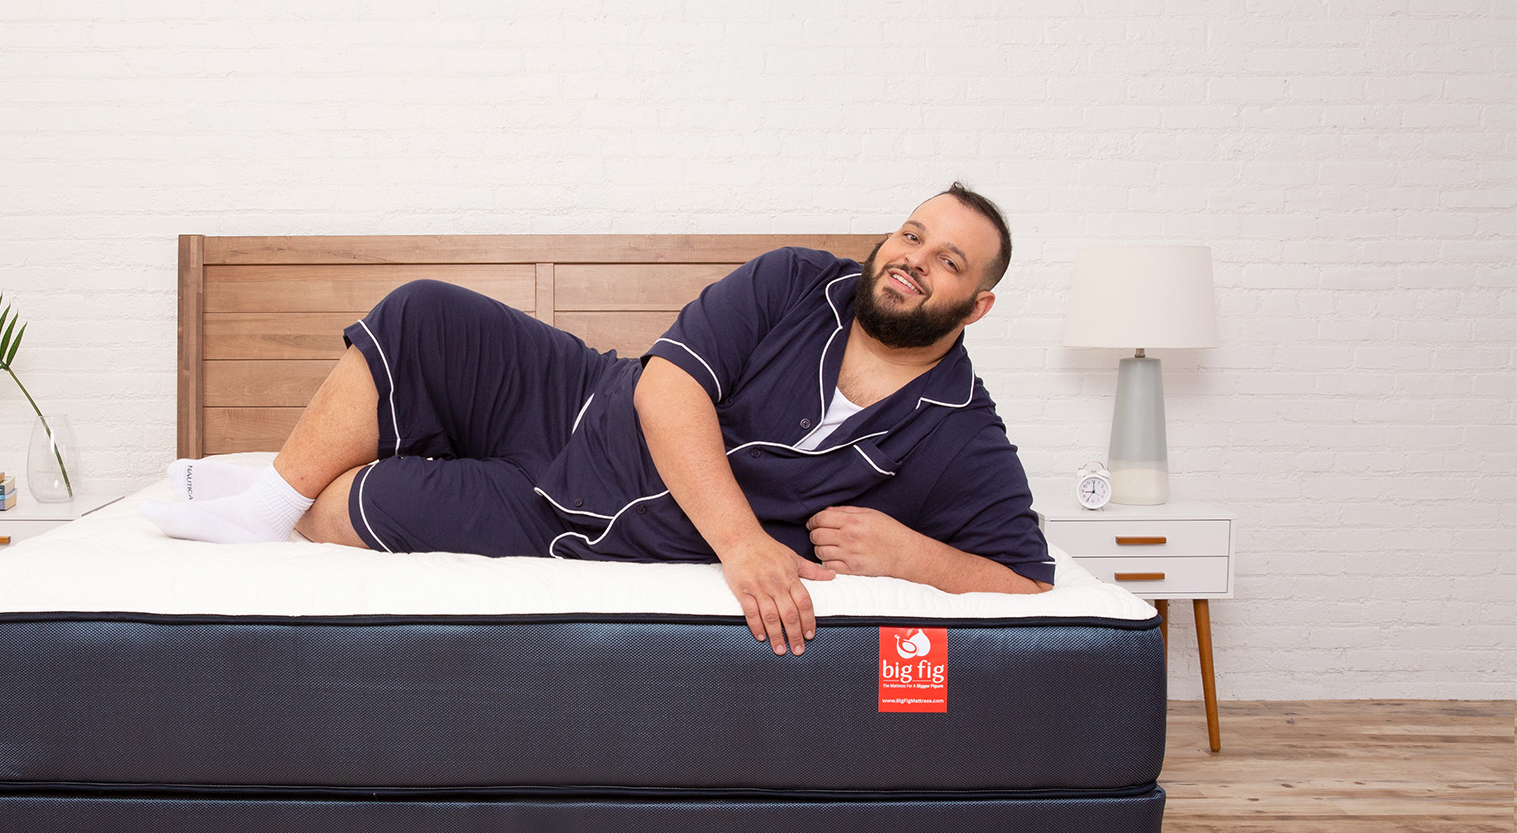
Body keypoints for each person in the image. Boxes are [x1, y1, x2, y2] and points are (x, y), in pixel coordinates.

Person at [144, 183, 1054, 656]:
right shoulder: (795, 281)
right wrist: (744, 544)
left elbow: (1032, 587)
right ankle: (264, 496)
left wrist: (911, 557)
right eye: (910, 235)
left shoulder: (960, 428)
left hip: (584, 529)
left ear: (976, 306)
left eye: (947, 261)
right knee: (422, 310)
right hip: (580, 400)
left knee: (352, 507)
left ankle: (270, 484)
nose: (912, 259)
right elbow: (668, 389)